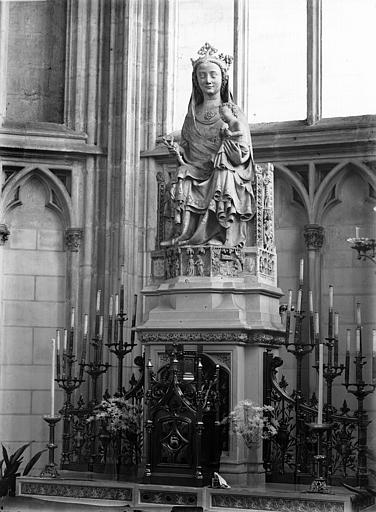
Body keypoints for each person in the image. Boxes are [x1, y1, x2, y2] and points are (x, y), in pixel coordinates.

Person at [161, 43, 255, 248]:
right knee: (181, 177)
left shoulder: (233, 112)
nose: (208, 80)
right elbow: (187, 146)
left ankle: (221, 239)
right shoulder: (192, 115)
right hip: (197, 168)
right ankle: (184, 236)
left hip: (224, 168)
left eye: (213, 74)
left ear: (223, 79)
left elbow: (243, 152)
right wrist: (179, 151)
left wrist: (227, 149)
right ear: (196, 80)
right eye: (202, 76)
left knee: (224, 175)